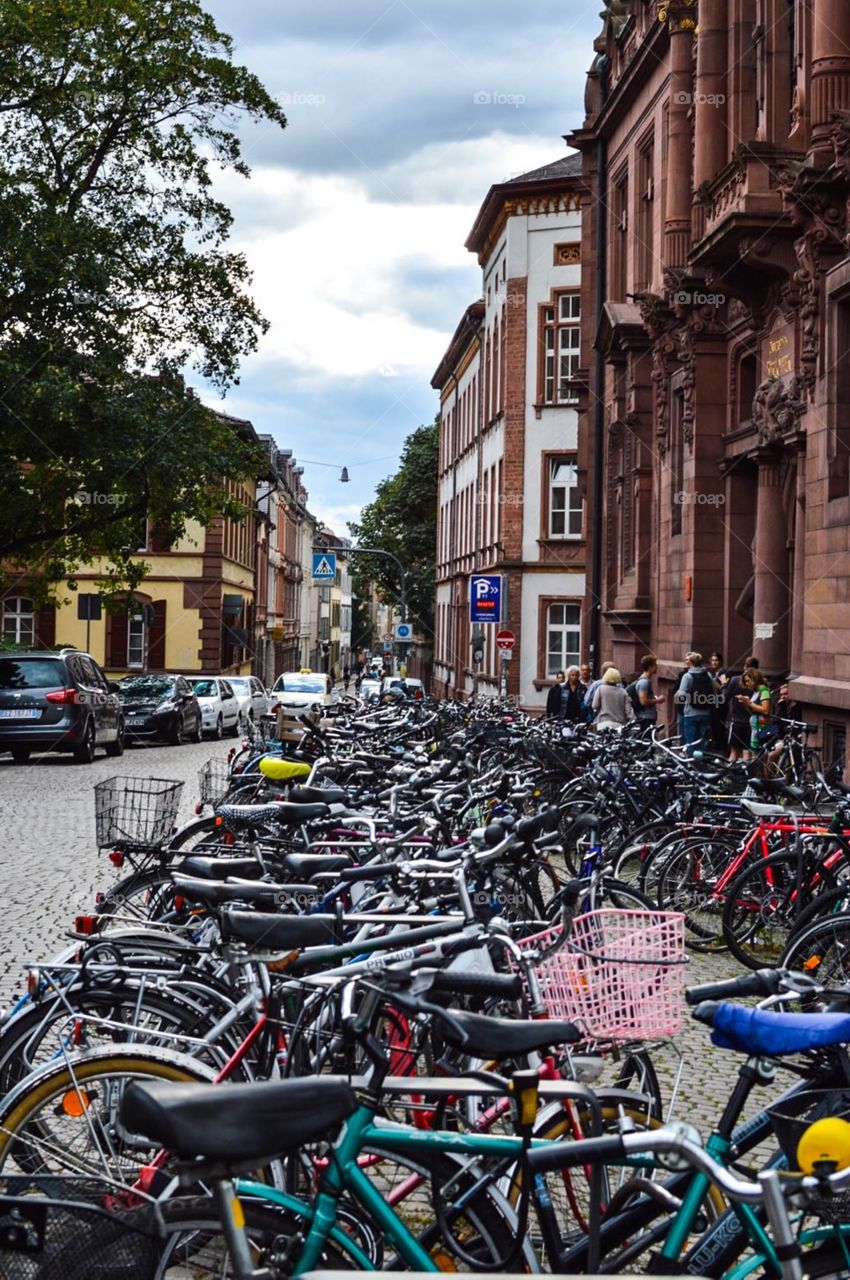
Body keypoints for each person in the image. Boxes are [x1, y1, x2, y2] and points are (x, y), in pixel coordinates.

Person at [720, 655, 759, 760]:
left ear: (745, 667)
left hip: (737, 721)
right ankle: (746, 775)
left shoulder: (736, 680)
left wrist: (724, 685)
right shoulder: (758, 683)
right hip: (752, 722)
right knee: (747, 752)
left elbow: (724, 698)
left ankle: (728, 775)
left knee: (734, 752)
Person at [677, 651, 717, 753]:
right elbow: (714, 692)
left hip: (691, 714)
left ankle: (692, 764)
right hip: (706, 713)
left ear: (690, 663)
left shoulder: (687, 676)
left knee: (691, 742)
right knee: (703, 741)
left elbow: (681, 695)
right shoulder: (708, 675)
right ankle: (702, 762)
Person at [737, 667, 773, 761]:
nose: (747, 684)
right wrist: (746, 703)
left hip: (762, 726)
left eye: (748, 681)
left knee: (760, 755)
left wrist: (749, 703)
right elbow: (754, 710)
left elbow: (765, 710)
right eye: (745, 682)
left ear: (755, 679)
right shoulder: (755, 692)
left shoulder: (763, 690)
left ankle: (764, 775)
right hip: (755, 727)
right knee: (755, 754)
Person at [633, 655, 664, 733]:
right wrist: (658, 700)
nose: (657, 667)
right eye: (655, 665)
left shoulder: (645, 680)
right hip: (646, 718)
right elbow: (643, 701)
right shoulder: (644, 682)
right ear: (650, 667)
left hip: (647, 717)